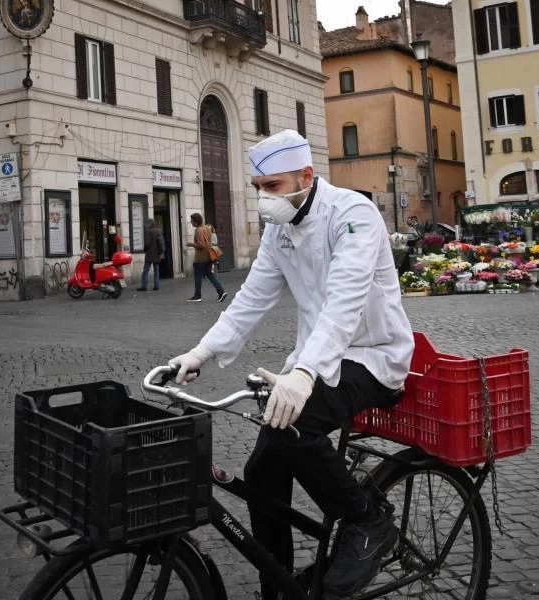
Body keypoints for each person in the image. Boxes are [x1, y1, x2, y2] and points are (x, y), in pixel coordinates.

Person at [168, 130, 414, 599]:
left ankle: (368, 522)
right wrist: (202, 351)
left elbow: (346, 300)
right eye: (258, 187)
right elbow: (252, 298)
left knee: (293, 429)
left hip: (373, 355)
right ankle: (276, 585)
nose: (264, 198)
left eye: (273, 187)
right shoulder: (280, 229)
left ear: (307, 175)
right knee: (263, 468)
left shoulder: (352, 213)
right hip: (315, 358)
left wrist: (305, 373)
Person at [185, 213, 227, 302]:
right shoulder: (206, 228)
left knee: (198, 276)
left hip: (201, 258)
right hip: (209, 256)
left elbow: (201, 245)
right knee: (210, 274)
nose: (191, 222)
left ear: (196, 222)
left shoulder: (198, 230)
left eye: (192, 221)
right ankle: (221, 292)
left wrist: (191, 244)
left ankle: (197, 296)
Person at [137, 219, 164, 291]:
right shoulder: (159, 231)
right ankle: (156, 286)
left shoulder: (149, 232)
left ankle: (144, 286)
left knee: (145, 270)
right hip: (157, 253)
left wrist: (144, 249)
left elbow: (147, 243)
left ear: (150, 224)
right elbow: (161, 243)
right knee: (156, 271)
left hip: (150, 254)